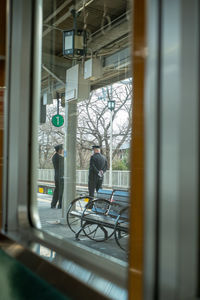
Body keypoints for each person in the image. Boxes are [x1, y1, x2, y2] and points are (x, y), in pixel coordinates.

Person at [51, 144, 64, 209]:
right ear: (59, 150)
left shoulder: (54, 157)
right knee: (61, 190)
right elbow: (63, 167)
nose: (62, 151)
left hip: (56, 176)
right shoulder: (60, 158)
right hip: (60, 176)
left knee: (57, 190)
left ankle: (53, 204)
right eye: (62, 149)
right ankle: (60, 205)